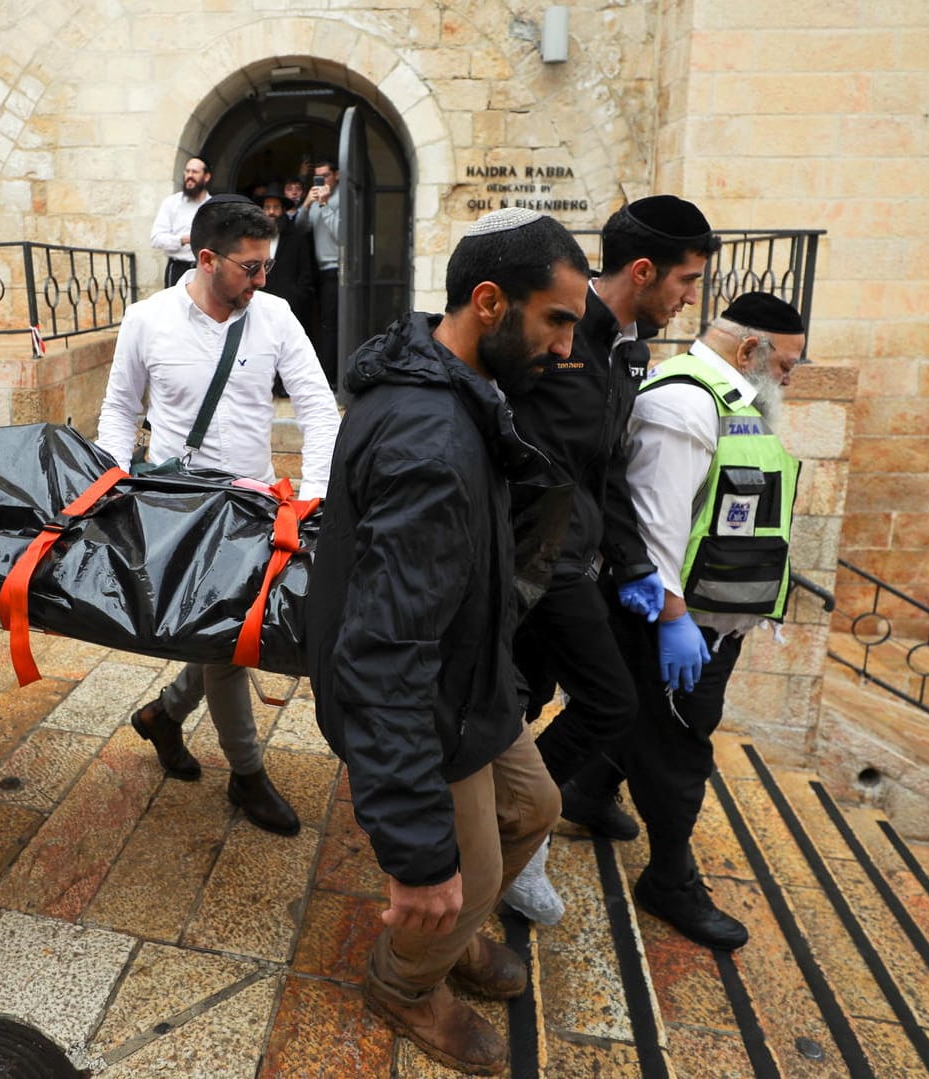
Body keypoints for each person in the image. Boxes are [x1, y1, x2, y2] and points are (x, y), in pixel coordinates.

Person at [305, 208, 587, 1075]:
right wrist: (417, 857)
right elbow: (386, 652)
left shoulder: (455, 383)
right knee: (455, 869)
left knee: (533, 809)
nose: (567, 349)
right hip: (428, 701)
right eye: (557, 321)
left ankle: (451, 935)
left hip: (472, 678)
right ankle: (403, 980)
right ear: (492, 303)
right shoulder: (429, 437)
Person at [504, 195, 719, 924]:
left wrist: (632, 566)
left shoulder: (625, 347)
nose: (689, 300)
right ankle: (515, 837)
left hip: (574, 557)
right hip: (537, 561)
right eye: (685, 282)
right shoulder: (567, 339)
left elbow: (608, 474)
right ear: (644, 269)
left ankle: (509, 828)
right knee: (606, 701)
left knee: (533, 698)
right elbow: (552, 467)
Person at [97, 195, 339, 837]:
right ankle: (248, 774)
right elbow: (120, 409)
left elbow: (317, 405)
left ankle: (164, 716)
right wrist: (110, 485)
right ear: (206, 260)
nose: (263, 280)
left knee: (225, 636)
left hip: (254, 505)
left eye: (268, 266)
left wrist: (314, 492)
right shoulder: (147, 320)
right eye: (251, 267)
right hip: (177, 506)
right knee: (229, 644)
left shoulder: (277, 316)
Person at [570, 292, 806, 951]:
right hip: (676, 622)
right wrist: (675, 620)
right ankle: (669, 879)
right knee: (679, 751)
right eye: (786, 363)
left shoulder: (735, 401)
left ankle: (586, 791)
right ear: (749, 350)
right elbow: (655, 526)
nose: (790, 376)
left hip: (711, 621)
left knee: (644, 719)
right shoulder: (685, 403)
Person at [297, 159, 343, 385]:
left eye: (325, 176)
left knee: (331, 326)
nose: (321, 181)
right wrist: (307, 204)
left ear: (337, 175)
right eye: (317, 177)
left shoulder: (343, 198)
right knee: (321, 324)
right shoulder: (315, 201)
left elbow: (342, 236)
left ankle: (331, 378)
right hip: (317, 272)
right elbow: (299, 228)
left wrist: (325, 206)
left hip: (339, 271)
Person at [255, 191, 315, 344]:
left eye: (276, 207)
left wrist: (296, 297)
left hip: (290, 308)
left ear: (282, 211)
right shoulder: (254, 239)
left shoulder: (297, 238)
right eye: (267, 207)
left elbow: (306, 275)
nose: (271, 212)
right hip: (259, 308)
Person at [150, 155, 212, 288]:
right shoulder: (171, 203)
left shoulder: (213, 206)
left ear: (206, 177)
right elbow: (156, 239)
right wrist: (184, 239)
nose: (190, 175)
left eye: (195, 172)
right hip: (178, 268)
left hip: (206, 270)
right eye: (187, 171)